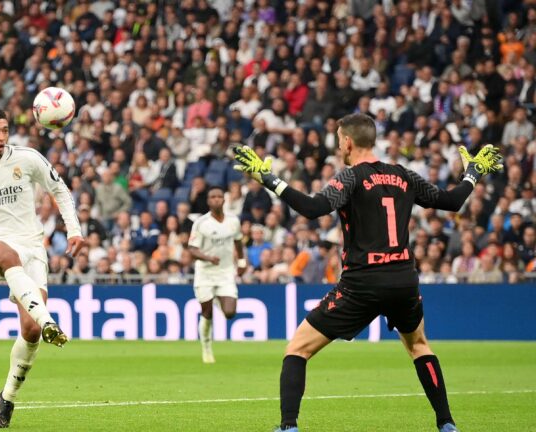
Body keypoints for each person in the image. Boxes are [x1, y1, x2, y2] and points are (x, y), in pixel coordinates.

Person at [232, 113, 502, 432]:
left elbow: (313, 208)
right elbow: (453, 201)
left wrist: (269, 180)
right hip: (403, 278)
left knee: (297, 349)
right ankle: (446, 423)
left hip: (363, 282)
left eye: (338, 139)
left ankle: (288, 426)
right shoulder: (404, 175)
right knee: (419, 346)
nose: (338, 145)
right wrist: (472, 172)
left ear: (347, 141)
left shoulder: (351, 178)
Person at [0, 107, 85, 429]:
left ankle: (7, 397)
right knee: (7, 256)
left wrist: (74, 230)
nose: (1, 137)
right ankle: (50, 319)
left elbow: (59, 190)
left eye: (5, 130)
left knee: (30, 331)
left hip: (32, 245)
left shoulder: (28, 158)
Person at [187, 186, 247, 363]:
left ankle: (219, 298)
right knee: (207, 312)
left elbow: (238, 242)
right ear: (208, 201)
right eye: (212, 197)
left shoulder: (233, 221)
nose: (216, 199)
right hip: (205, 272)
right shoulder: (201, 223)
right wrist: (207, 257)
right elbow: (191, 248)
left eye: (219, 196)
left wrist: (242, 262)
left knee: (230, 313)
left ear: (224, 199)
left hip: (226, 272)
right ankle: (206, 347)